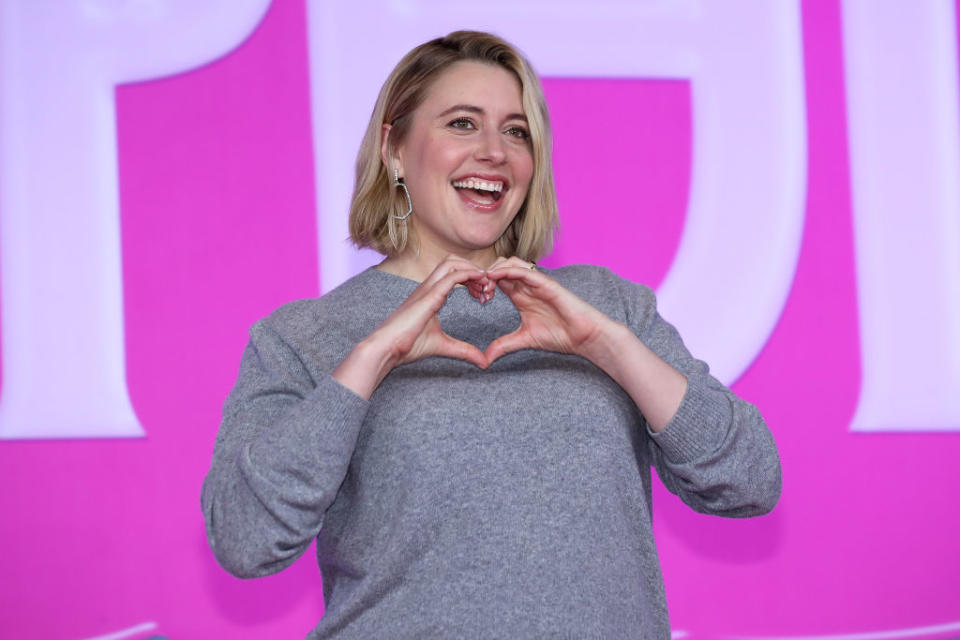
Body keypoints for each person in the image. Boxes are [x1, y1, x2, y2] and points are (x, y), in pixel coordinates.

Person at [202, 30, 781, 639]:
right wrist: (371, 360)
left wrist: (607, 347)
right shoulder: (305, 336)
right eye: (461, 124)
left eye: (516, 131)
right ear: (394, 148)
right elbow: (245, 538)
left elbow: (749, 480)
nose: (494, 152)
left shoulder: (608, 306)